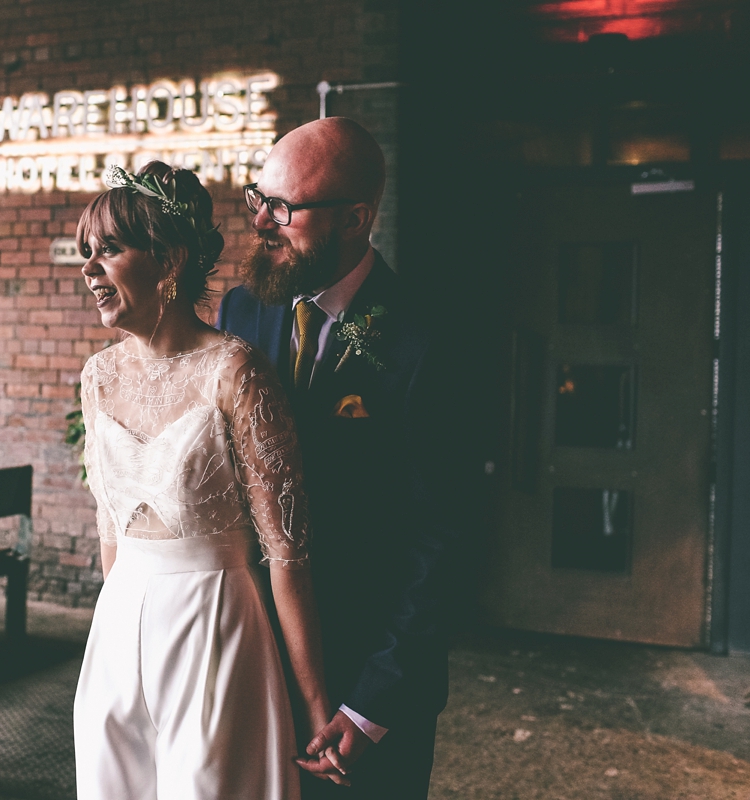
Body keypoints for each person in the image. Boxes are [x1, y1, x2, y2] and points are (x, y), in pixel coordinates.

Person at [218, 117, 472, 799]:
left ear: (356, 218)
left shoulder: (429, 340)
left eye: (285, 208)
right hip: (256, 667)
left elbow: (443, 540)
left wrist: (371, 705)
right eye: (257, 200)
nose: (262, 223)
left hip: (367, 686)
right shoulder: (241, 310)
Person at [72, 161, 339, 800]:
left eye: (109, 249)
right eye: (88, 252)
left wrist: (315, 707)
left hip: (213, 624)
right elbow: (111, 530)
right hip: (117, 630)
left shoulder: (235, 370)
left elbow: (287, 556)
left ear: (169, 260)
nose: (89, 270)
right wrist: (115, 636)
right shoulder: (97, 377)